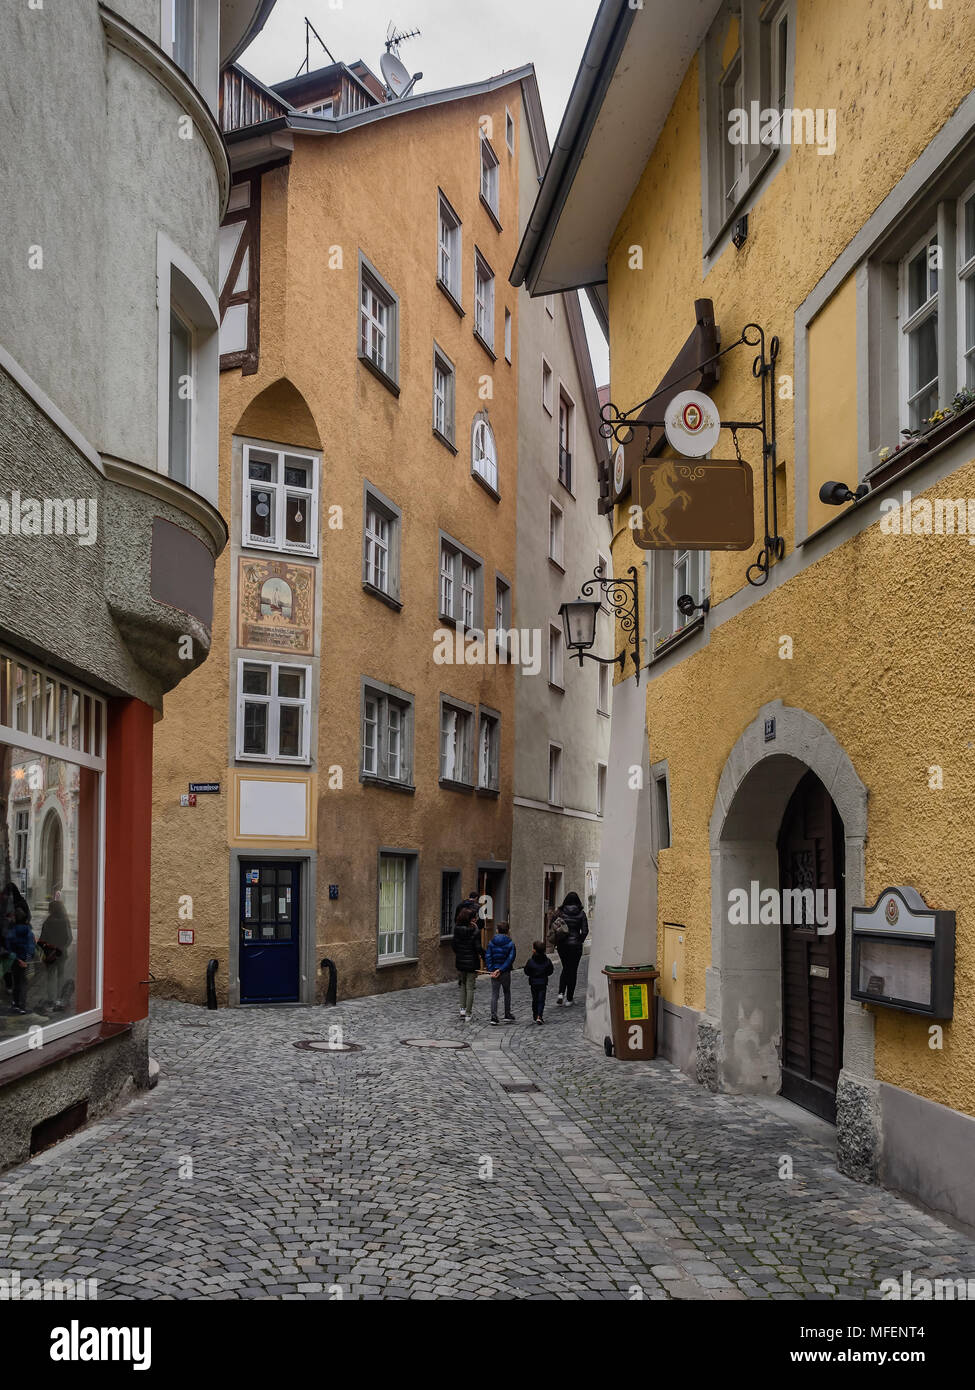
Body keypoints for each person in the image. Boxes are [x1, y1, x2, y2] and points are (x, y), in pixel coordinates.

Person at [549, 890, 589, 1006]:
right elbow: (585, 931)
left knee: (566, 968)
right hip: (575, 946)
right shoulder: (581, 913)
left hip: (563, 945)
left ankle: (561, 993)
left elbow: (552, 926)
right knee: (573, 970)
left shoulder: (559, 912)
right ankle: (569, 999)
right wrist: (579, 940)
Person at [39, 895, 73, 1012]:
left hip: (50, 954)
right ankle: (59, 998)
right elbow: (69, 938)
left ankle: (51, 998)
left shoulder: (48, 922)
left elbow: (42, 939)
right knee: (60, 976)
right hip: (61, 953)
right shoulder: (65, 921)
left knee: (50, 977)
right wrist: (62, 948)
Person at [452, 903, 484, 1022]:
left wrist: (460, 954)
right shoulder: (475, 931)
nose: (476, 919)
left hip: (460, 961)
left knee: (463, 985)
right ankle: (468, 1013)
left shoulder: (457, 929)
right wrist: (483, 956)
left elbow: (454, 945)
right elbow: (478, 947)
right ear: (470, 919)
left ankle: (462, 1009)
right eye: (474, 918)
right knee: (470, 987)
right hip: (471, 962)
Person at [484, 921, 516, 1025]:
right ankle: (507, 1014)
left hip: (494, 971)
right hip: (505, 971)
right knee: (507, 992)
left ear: (497, 930)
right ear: (508, 931)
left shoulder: (491, 942)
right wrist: (501, 969)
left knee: (494, 994)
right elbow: (510, 958)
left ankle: (493, 1016)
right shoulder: (510, 943)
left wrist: (491, 970)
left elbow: (488, 956)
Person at [7, 904, 35, 1014]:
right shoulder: (28, 931)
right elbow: (31, 947)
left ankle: (15, 1003)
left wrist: (17, 959)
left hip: (15, 961)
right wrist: (26, 960)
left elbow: (9, 948)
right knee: (23, 983)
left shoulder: (12, 931)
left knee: (16, 982)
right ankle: (22, 1006)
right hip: (25, 961)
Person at [523, 940, 554, 1024]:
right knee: (541, 1000)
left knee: (535, 999)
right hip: (543, 982)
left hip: (533, 982)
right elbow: (550, 970)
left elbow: (526, 971)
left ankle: (535, 1014)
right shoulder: (547, 961)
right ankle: (539, 1015)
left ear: (534, 950)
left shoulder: (531, 961)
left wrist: (532, 975)